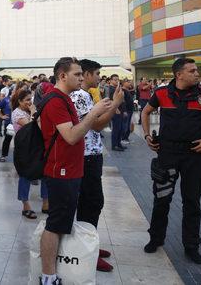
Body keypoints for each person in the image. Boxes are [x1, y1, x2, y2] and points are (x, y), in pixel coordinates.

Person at [141, 58, 201, 264]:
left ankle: (191, 245)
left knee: (192, 202)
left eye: (197, 70)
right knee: (161, 199)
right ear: (179, 75)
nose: (197, 74)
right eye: (193, 71)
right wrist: (146, 135)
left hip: (195, 155)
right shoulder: (161, 94)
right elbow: (145, 111)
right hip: (167, 154)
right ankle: (156, 238)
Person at [38, 57, 112, 285]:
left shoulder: (65, 99)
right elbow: (71, 136)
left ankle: (57, 268)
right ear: (63, 76)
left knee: (64, 221)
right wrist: (95, 112)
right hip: (60, 170)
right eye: (77, 74)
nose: (82, 78)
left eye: (82, 74)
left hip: (71, 169)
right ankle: (48, 277)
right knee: (56, 224)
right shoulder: (56, 101)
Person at [69, 59, 124, 272]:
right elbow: (97, 124)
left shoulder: (87, 95)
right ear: (88, 74)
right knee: (91, 202)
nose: (100, 77)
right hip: (85, 156)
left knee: (91, 202)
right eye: (97, 73)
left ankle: (90, 243)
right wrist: (116, 103)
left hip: (91, 154)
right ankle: (86, 249)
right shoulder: (81, 96)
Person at [11, 89, 49, 219]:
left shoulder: (29, 111)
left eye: (30, 99)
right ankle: (25, 205)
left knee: (45, 173)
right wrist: (34, 112)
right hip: (24, 149)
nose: (29, 102)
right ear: (20, 101)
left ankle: (46, 203)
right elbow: (31, 126)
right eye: (27, 100)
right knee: (25, 175)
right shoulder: (17, 113)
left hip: (37, 147)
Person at [105, 74, 125, 152]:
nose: (117, 81)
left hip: (121, 110)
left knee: (120, 129)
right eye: (115, 80)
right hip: (116, 111)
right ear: (111, 80)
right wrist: (116, 108)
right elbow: (111, 100)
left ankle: (118, 143)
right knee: (116, 129)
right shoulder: (110, 89)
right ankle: (114, 145)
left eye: (118, 79)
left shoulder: (116, 88)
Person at [0, 90, 13, 162]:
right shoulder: (6, 99)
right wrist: (2, 116)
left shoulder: (22, 100)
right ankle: (3, 155)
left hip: (20, 124)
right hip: (10, 125)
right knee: (7, 140)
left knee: (20, 141)